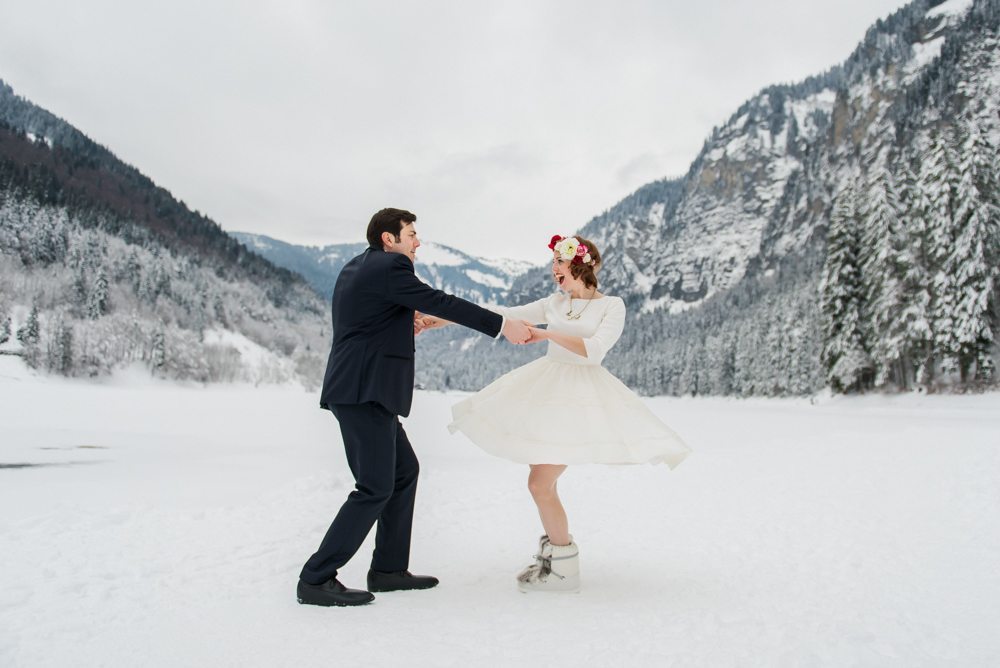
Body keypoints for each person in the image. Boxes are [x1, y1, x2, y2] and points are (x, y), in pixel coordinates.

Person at [423, 234, 690, 593]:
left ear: (579, 264)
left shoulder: (612, 306)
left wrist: (547, 334)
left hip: (583, 397)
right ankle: (558, 560)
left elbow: (594, 352)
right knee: (540, 483)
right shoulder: (554, 302)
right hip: (548, 389)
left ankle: (562, 565)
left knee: (539, 483)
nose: (553, 271)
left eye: (558, 264)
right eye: (553, 265)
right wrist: (438, 319)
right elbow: (503, 315)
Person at [297, 208, 533, 607]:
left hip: (364, 389)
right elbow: (442, 300)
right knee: (374, 487)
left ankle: (388, 569)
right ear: (389, 239)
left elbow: (363, 323)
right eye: (411, 233)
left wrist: (403, 324)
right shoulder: (391, 267)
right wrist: (501, 324)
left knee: (404, 472)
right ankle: (316, 577)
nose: (417, 241)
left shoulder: (360, 267)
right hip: (363, 391)